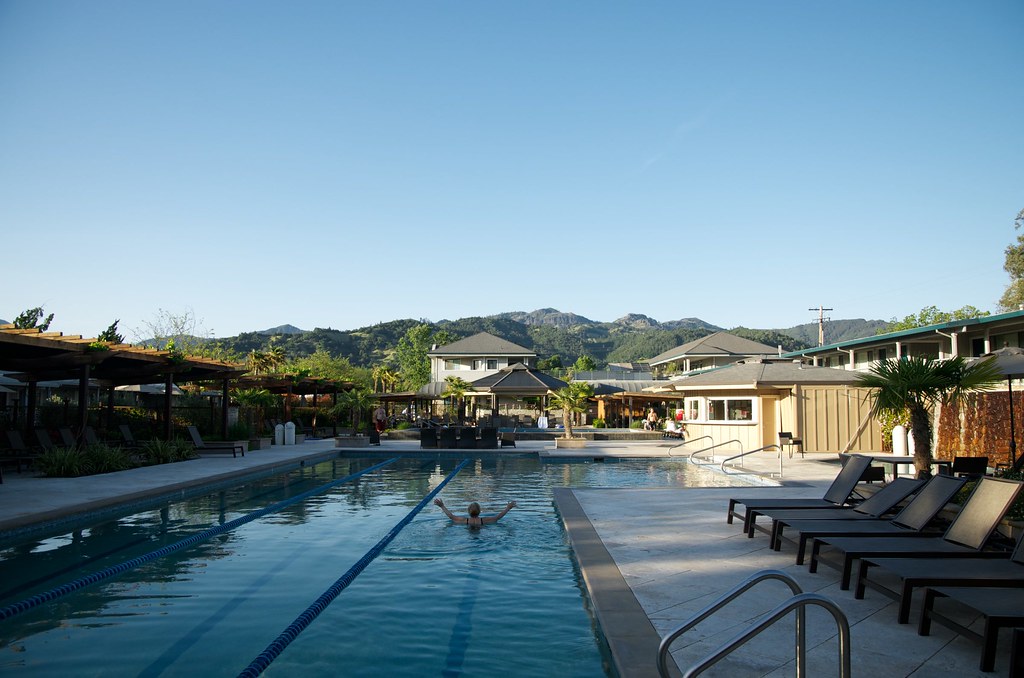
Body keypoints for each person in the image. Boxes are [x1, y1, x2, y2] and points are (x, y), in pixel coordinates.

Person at [434, 498, 516, 527]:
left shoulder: (464, 520)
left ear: (468, 511)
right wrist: (508, 508)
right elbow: (498, 517)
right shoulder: (484, 520)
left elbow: (450, 516)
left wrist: (442, 506)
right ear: (479, 511)